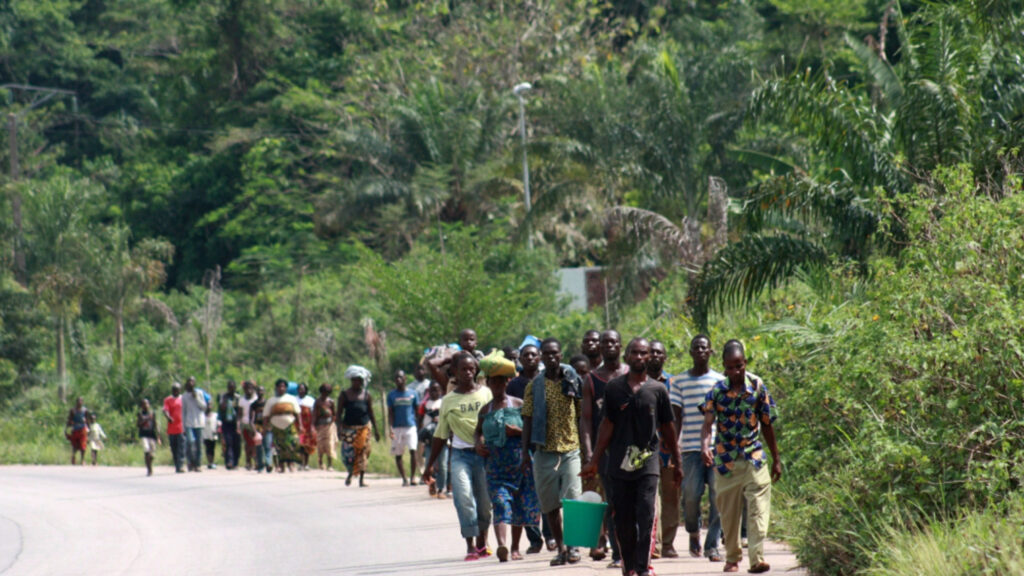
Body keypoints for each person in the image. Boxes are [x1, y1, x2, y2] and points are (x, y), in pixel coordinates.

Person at [581, 338, 682, 576]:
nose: (639, 357)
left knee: (646, 513)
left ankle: (643, 567)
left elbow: (668, 426)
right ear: (627, 357)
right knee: (623, 518)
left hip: (648, 461)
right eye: (634, 353)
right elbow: (606, 425)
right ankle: (629, 566)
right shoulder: (614, 388)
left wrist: (677, 461)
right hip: (618, 463)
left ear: (649, 357)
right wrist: (594, 460)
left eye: (643, 353)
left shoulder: (658, 390)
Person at [700, 341, 781, 574]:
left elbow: (767, 424)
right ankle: (733, 557)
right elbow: (707, 425)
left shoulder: (757, 386)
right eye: (731, 367)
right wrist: (705, 446)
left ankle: (757, 559)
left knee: (758, 509)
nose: (736, 371)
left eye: (740, 365)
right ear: (724, 367)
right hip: (726, 461)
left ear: (745, 363)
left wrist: (776, 458)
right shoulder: (716, 391)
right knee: (729, 515)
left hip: (753, 457)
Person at [422, 352, 493, 561]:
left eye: (472, 368)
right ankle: (470, 544)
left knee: (484, 503)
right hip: (460, 455)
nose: (468, 372)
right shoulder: (449, 400)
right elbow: (441, 434)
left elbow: (494, 423)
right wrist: (429, 465)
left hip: (484, 455)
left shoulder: (486, 394)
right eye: (463, 369)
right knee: (463, 498)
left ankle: (483, 541)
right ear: (454, 372)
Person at [521, 337, 584, 566]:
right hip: (544, 451)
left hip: (570, 449)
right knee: (550, 506)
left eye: (554, 353)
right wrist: (524, 453)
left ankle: (574, 546)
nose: (550, 357)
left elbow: (581, 416)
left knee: (574, 499)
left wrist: (587, 450)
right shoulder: (534, 386)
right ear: (540, 358)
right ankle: (560, 548)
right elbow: (527, 419)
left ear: (561, 355)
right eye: (545, 354)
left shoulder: (572, 380)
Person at [474, 352, 541, 563]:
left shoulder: (519, 404)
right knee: (501, 503)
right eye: (492, 382)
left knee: (520, 505)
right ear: (489, 383)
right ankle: (502, 545)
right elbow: (478, 431)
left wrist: (518, 432)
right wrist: (478, 443)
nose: (497, 385)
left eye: (500, 381)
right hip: (495, 465)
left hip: (521, 462)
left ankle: (514, 548)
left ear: (506, 382)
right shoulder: (486, 409)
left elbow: (534, 430)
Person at [670, 334, 724, 562]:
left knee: (717, 496)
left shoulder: (721, 381)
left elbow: (724, 417)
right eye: (696, 348)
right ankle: (693, 531)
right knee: (690, 497)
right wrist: (675, 448)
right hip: (690, 449)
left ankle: (712, 546)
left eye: (704, 348)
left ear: (710, 352)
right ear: (691, 352)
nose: (701, 351)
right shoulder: (679, 382)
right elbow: (676, 418)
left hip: (716, 448)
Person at [581, 330, 630, 567]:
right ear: (600, 347)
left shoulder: (631, 374)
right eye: (605, 342)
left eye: (613, 341)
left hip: (632, 449)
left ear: (620, 346)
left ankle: (637, 549)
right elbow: (587, 420)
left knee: (632, 501)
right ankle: (618, 554)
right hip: (606, 451)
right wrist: (590, 453)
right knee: (612, 501)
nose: (609, 345)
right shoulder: (591, 380)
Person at [506, 341, 546, 554]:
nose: (530, 358)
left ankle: (550, 535)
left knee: (548, 493)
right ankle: (535, 539)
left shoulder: (547, 381)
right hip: (524, 445)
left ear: (539, 358)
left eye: (533, 355)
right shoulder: (514, 385)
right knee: (528, 493)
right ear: (520, 360)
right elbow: (515, 418)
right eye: (526, 356)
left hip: (546, 444)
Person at [647, 339, 678, 559]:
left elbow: (679, 415)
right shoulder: (638, 382)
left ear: (665, 357)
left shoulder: (673, 383)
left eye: (659, 352)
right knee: (650, 498)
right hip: (646, 450)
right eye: (651, 352)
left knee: (670, 498)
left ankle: (667, 543)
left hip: (669, 450)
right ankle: (654, 545)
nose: (655, 356)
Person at [338, 365, 380, 487]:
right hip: (348, 428)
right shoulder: (344, 395)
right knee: (348, 455)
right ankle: (350, 473)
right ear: (351, 381)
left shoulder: (367, 395)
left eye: (359, 380)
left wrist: (377, 431)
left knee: (363, 452)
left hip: (364, 428)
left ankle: (361, 479)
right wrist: (338, 430)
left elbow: (371, 413)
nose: (357, 383)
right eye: (355, 380)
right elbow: (339, 413)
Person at [387, 369, 420, 486]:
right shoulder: (391, 395)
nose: (398, 380)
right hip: (397, 427)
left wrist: (419, 426)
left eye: (400, 377)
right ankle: (404, 478)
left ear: (405, 379)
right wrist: (390, 428)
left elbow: (417, 411)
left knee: (413, 451)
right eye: (396, 378)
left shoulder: (413, 393)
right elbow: (390, 413)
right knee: (398, 453)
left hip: (411, 426)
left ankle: (412, 477)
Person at [264, 378, 303, 473]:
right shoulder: (271, 401)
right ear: (276, 388)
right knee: (278, 446)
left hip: (289, 425)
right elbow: (266, 415)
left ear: (286, 388)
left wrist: (300, 425)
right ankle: (281, 465)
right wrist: (265, 427)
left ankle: (291, 464)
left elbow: (298, 413)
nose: (281, 388)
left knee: (292, 444)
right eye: (279, 386)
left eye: (283, 386)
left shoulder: (291, 399)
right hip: (276, 427)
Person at [418, 380, 448, 498]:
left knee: (443, 465)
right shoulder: (425, 404)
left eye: (437, 390)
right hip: (429, 439)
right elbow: (420, 419)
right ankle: (431, 484)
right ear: (428, 391)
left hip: (442, 438)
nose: (434, 392)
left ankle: (441, 489)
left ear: (440, 391)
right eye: (432, 390)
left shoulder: (444, 403)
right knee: (428, 465)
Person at [181, 377, 208, 472]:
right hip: (189, 423)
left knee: (199, 445)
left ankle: (198, 464)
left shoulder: (199, 393)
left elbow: (204, 407)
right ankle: (191, 462)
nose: (190, 383)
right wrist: (183, 426)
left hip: (199, 423)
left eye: (192, 381)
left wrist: (196, 398)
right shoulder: (184, 396)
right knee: (190, 443)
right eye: (189, 381)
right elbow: (183, 411)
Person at [313, 384, 338, 470]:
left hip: (329, 426)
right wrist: (313, 425)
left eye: (327, 392)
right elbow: (315, 414)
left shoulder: (331, 402)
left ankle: (330, 465)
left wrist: (333, 421)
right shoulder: (317, 401)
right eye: (324, 392)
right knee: (320, 445)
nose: (325, 394)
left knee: (330, 444)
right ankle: (320, 462)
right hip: (320, 426)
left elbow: (334, 414)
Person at [162, 383, 186, 473]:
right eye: (174, 389)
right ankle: (177, 465)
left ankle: (181, 465)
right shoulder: (168, 400)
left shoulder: (183, 399)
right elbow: (165, 410)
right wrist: (168, 417)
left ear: (180, 390)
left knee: (181, 447)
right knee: (174, 448)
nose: (175, 391)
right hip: (172, 429)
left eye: (177, 389)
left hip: (181, 428)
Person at [219, 380, 241, 470]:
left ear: (235, 388)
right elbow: (221, 408)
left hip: (235, 423)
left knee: (236, 443)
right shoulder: (224, 397)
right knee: (228, 443)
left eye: (233, 387)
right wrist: (224, 400)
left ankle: (236, 462)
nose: (231, 389)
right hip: (226, 422)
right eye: (229, 387)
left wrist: (239, 425)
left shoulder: (238, 398)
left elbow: (240, 411)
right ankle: (229, 461)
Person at [250, 385, 271, 473]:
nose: (260, 393)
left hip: (267, 427)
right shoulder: (254, 404)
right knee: (259, 448)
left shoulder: (267, 403)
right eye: (258, 391)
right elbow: (251, 419)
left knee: (267, 446)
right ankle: (260, 465)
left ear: (264, 392)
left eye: (262, 391)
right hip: (257, 427)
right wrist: (254, 430)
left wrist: (267, 428)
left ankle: (268, 464)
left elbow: (270, 416)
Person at [238, 381, 258, 470]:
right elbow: (239, 414)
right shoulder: (241, 400)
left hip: (255, 424)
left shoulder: (256, 399)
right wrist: (238, 425)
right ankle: (248, 461)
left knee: (255, 444)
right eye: (247, 388)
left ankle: (257, 461)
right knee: (247, 444)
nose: (249, 390)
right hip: (245, 424)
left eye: (251, 388)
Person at [137, 399, 160, 476]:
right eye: (144, 404)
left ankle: (149, 464)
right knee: (147, 451)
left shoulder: (152, 413)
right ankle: (149, 469)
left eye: (147, 404)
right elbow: (138, 424)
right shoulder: (140, 414)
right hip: (144, 435)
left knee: (152, 454)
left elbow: (155, 424)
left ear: (149, 405)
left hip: (152, 435)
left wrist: (158, 436)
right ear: (141, 406)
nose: (145, 405)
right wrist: (146, 419)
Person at [297, 383, 317, 470]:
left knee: (307, 444)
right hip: (297, 425)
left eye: (303, 389)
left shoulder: (310, 400)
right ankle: (300, 463)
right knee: (299, 444)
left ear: (306, 390)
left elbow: (313, 414)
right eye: (300, 389)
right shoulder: (294, 400)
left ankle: (306, 463)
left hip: (308, 425)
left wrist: (313, 425)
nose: (301, 391)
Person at [64, 397, 89, 466]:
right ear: (76, 402)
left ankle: (82, 460)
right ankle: (73, 457)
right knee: (75, 446)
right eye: (78, 401)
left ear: (82, 402)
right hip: (75, 429)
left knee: (83, 445)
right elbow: (69, 419)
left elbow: (87, 420)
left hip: (83, 429)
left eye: (81, 401)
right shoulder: (73, 410)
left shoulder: (85, 410)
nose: (79, 402)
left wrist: (89, 430)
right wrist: (66, 429)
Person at [202, 404, 220, 470]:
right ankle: (210, 462)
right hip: (205, 434)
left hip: (213, 434)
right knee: (208, 448)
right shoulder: (202, 416)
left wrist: (217, 430)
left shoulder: (215, 415)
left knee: (212, 448)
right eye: (207, 405)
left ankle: (212, 462)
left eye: (209, 405)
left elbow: (219, 424)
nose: (208, 407)